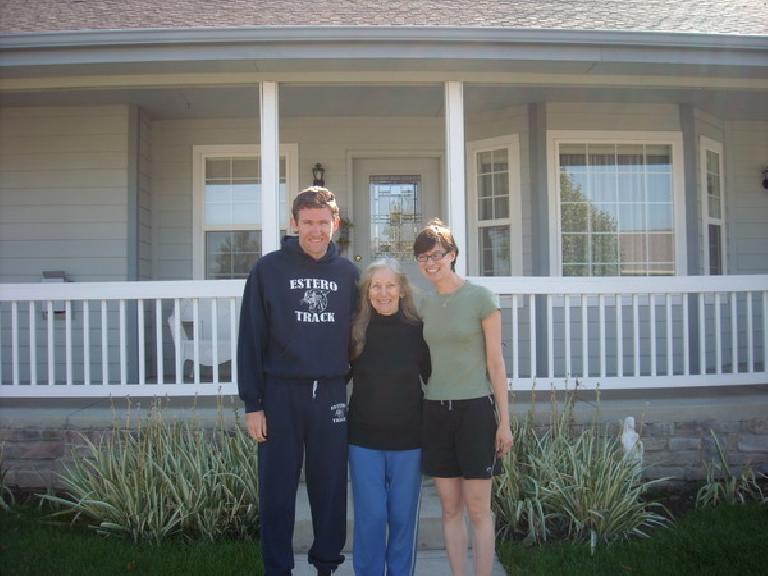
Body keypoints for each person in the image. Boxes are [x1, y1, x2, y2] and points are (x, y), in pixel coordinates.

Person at [238, 186, 359, 576]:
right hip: (280, 395)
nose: (316, 231)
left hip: (329, 394)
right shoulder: (268, 270)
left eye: (323, 223)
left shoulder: (347, 274)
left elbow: (359, 335)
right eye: (308, 223)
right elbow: (251, 338)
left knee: (330, 488)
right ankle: (278, 568)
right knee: (277, 492)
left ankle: (326, 565)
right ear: (294, 224)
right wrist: (253, 404)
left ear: (335, 224)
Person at [412, 218, 514, 576]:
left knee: (477, 509)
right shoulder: (422, 306)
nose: (430, 263)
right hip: (436, 412)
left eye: (437, 255)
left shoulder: (481, 298)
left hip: (475, 412)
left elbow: (496, 363)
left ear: (452, 255)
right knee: (450, 508)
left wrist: (505, 422)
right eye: (422, 257)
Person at [348, 258, 431, 576]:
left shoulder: (418, 331)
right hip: (364, 441)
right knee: (370, 519)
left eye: (390, 285)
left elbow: (434, 378)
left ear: (402, 289)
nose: (383, 293)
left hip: (409, 441)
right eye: (376, 286)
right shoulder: (355, 332)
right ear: (367, 292)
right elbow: (334, 376)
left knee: (402, 518)